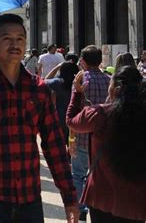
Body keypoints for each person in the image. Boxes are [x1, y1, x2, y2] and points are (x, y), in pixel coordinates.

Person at [0, 14, 78, 222]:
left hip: (29, 195)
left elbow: (54, 144)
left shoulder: (38, 89)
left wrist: (69, 196)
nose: (15, 44)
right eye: (7, 39)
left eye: (20, 38)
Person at [66, 66, 146, 222]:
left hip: (102, 196)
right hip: (136, 200)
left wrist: (77, 93)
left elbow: (71, 121)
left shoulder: (99, 114)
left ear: (115, 88)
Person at [68, 45, 111, 221]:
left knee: (78, 175)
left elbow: (74, 113)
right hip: (104, 141)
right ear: (100, 61)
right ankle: (96, 207)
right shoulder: (110, 80)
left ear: (83, 61)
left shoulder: (80, 80)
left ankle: (81, 209)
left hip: (82, 137)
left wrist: (71, 139)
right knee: (99, 176)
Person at [44, 62, 80, 145]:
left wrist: (57, 67)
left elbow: (44, 81)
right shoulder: (79, 83)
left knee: (60, 147)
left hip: (59, 118)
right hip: (76, 118)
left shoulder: (56, 83)